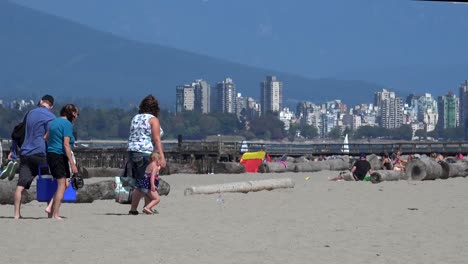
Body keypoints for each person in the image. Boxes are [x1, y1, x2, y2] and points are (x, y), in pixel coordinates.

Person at [11, 95, 55, 219]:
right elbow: (50, 134)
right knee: (48, 183)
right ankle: (50, 214)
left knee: (20, 186)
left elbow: (18, 130)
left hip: (25, 153)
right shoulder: (51, 116)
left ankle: (16, 214)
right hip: (41, 153)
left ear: (40, 102)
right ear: (51, 106)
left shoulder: (29, 113)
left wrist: (13, 150)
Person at [128, 95, 166, 215]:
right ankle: (140, 208)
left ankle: (144, 207)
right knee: (144, 183)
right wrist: (162, 156)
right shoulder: (153, 119)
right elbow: (156, 139)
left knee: (141, 180)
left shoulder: (135, 118)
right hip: (144, 152)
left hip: (132, 151)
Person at [46, 104, 79, 220]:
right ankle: (56, 214)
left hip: (52, 153)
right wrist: (72, 164)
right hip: (58, 155)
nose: (77, 117)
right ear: (72, 114)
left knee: (65, 183)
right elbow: (66, 144)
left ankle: (51, 210)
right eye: (76, 114)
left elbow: (45, 137)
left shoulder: (54, 122)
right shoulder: (67, 124)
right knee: (61, 185)